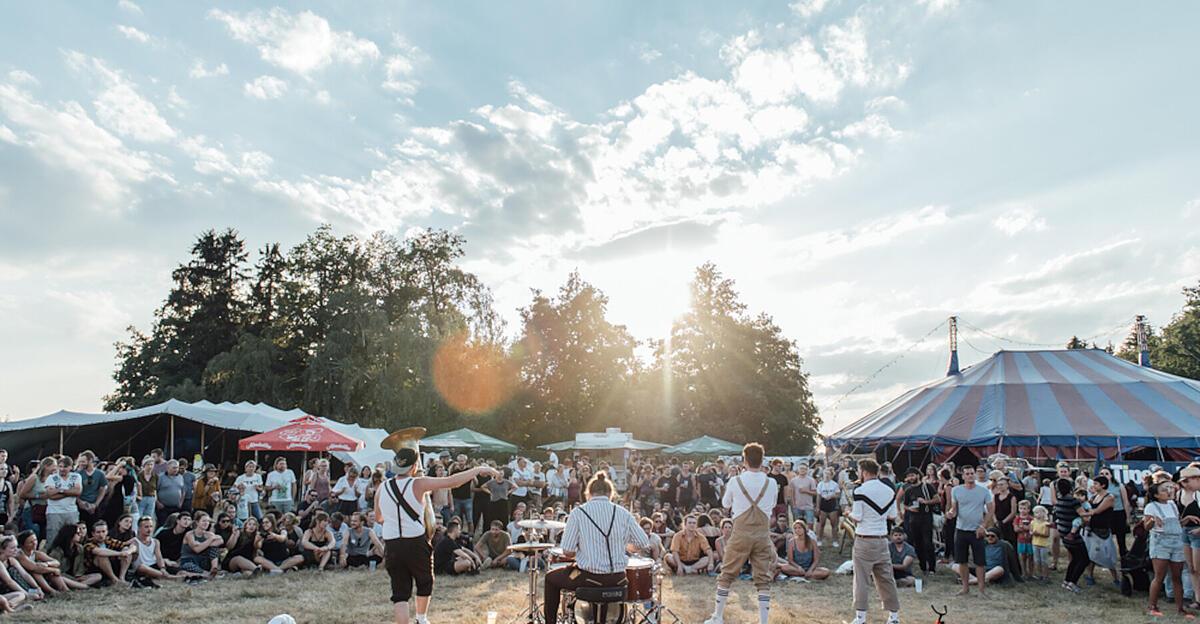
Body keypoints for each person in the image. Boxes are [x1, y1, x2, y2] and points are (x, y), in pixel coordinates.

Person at [375, 427, 500, 624]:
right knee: (425, 582)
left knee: (399, 593)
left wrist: (395, 519)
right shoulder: (418, 483)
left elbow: (378, 517)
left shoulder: (382, 487)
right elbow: (452, 481)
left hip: (392, 544)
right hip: (415, 542)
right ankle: (422, 619)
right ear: (414, 466)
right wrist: (478, 469)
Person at [544, 471, 649, 622]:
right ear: (610, 493)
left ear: (589, 493)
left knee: (550, 578)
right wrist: (624, 547)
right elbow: (643, 542)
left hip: (590, 579)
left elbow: (567, 552)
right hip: (618, 579)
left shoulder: (578, 513)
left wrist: (584, 551)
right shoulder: (623, 513)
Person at [704, 443, 777, 624]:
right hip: (762, 534)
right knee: (763, 578)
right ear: (762, 459)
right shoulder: (772, 482)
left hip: (740, 533)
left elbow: (726, 504)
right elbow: (773, 505)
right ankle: (763, 621)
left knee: (727, 574)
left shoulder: (735, 481)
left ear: (744, 460)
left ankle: (718, 616)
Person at [848, 458, 900, 624]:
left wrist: (847, 512)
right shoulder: (889, 490)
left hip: (864, 539)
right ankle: (893, 617)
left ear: (863, 471)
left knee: (861, 579)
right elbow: (893, 516)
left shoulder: (860, 491)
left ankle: (860, 617)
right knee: (887, 579)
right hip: (882, 539)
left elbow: (858, 517)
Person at [946, 465, 994, 597]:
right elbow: (954, 508)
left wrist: (983, 526)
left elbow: (991, 510)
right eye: (967, 474)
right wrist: (950, 513)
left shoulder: (983, 491)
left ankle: (981, 590)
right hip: (961, 529)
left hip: (976, 530)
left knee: (980, 561)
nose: (970, 476)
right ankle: (965, 588)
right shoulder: (956, 490)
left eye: (971, 473)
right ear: (963, 476)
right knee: (962, 561)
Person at [1145, 480, 1192, 617]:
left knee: (1177, 577)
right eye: (1165, 489)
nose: (1169, 491)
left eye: (1169, 488)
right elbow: (1146, 527)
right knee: (1159, 576)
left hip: (1176, 542)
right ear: (1157, 495)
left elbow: (1177, 524)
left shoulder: (1172, 505)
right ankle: (1152, 606)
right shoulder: (1151, 507)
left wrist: (1187, 518)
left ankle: (1180, 608)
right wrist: (1152, 521)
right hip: (1161, 543)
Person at [900, 467, 936, 575]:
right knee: (918, 543)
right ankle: (923, 566)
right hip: (913, 519)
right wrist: (909, 509)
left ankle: (932, 567)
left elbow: (937, 499)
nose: (911, 478)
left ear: (918, 475)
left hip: (926, 517)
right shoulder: (908, 490)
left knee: (928, 543)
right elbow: (905, 505)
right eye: (909, 476)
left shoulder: (927, 487)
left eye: (912, 475)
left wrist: (925, 502)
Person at [83, 520, 136, 587]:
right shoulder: (88, 543)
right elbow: (99, 551)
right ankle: (115, 580)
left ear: (107, 532)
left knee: (126, 549)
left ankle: (122, 578)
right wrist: (120, 554)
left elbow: (130, 546)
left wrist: (128, 551)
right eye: (98, 532)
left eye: (103, 531)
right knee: (101, 556)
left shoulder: (108, 540)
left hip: (111, 567)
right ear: (93, 533)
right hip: (95, 571)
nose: (101, 535)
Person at [44, 456, 82, 549]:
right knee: (53, 537)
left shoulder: (76, 476)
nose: (62, 469)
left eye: (65, 467)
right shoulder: (51, 478)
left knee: (72, 537)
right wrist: (69, 492)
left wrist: (59, 490)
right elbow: (50, 495)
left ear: (70, 467)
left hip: (71, 511)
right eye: (60, 466)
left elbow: (77, 492)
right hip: (54, 512)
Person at [180, 511, 224, 580]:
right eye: (203, 521)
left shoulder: (209, 534)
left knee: (214, 548)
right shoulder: (190, 534)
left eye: (208, 521)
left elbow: (221, 540)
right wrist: (210, 540)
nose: (206, 523)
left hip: (203, 560)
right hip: (189, 560)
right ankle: (206, 574)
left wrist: (200, 544)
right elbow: (197, 550)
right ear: (197, 522)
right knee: (188, 566)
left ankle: (214, 568)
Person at [74, 451, 108, 528]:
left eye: (83, 461)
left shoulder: (100, 474)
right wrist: (79, 502)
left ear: (90, 461)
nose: (81, 464)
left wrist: (96, 504)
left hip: (93, 505)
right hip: (81, 504)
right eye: (80, 461)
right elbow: (74, 489)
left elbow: (103, 489)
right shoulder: (78, 474)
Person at [816, 467, 841, 549]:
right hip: (823, 504)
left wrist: (831, 496)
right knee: (821, 523)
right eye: (825, 474)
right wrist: (817, 507)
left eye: (828, 474)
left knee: (834, 524)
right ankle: (819, 539)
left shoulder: (834, 484)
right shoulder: (820, 484)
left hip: (832, 504)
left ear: (831, 475)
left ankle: (835, 540)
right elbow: (818, 496)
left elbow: (838, 494)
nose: (827, 476)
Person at [156, 460, 186, 526]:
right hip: (163, 507)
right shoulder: (160, 477)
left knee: (174, 525)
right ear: (168, 467)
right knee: (162, 525)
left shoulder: (180, 477)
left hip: (175, 507)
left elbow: (183, 491)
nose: (176, 469)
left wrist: (181, 502)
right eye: (174, 468)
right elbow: (155, 491)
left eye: (177, 467)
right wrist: (158, 502)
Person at [1013, 499, 1035, 579]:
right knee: (1022, 557)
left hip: (1030, 541)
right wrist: (1025, 528)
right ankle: (1024, 572)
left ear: (1029, 509)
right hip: (1021, 540)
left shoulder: (1031, 519)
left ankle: (1031, 573)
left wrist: (1023, 527)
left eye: (1024, 508)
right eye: (1021, 508)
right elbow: (1016, 529)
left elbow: (1032, 528)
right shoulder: (1017, 519)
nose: (1022, 510)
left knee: (1031, 557)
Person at [1030, 505, 1052, 581]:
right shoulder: (1033, 522)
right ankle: (1039, 574)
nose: (1037, 514)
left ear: (1043, 513)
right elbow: (1031, 530)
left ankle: (1045, 575)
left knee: (1044, 561)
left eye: (1039, 512)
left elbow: (1047, 535)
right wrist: (1032, 533)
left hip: (1043, 545)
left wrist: (1038, 534)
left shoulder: (1046, 524)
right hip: (1035, 544)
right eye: (1035, 513)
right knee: (1036, 560)